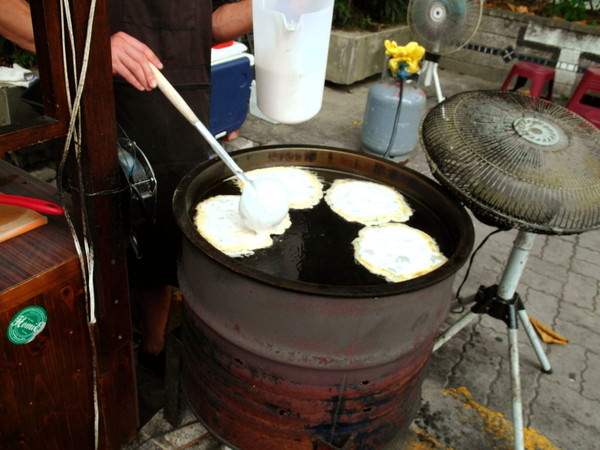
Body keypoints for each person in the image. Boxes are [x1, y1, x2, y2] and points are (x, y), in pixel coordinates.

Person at [1, 0, 253, 358]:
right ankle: (102, 351)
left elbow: (209, 23)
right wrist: (90, 45)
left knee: (164, 230)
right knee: (100, 232)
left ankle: (153, 346)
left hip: (176, 104)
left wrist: (278, 5)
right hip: (95, 101)